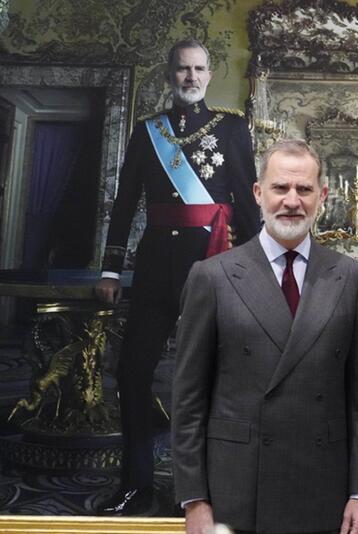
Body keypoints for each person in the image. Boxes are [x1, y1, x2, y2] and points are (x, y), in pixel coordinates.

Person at [172, 139, 358, 534]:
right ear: (258, 193)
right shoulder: (212, 276)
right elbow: (188, 401)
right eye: (280, 188)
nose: (291, 201)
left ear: (322, 196)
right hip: (236, 489)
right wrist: (194, 499)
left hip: (324, 488)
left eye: (303, 190)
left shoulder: (353, 279)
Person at [95, 39, 259, 515]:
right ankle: (136, 484)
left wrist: (262, 267)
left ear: (210, 75)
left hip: (214, 266)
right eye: (183, 69)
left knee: (214, 377)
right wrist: (111, 267)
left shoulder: (231, 128)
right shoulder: (148, 131)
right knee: (132, 372)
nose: (191, 77)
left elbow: (247, 203)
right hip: (152, 269)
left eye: (199, 69)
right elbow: (125, 204)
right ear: (170, 75)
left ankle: (209, 487)